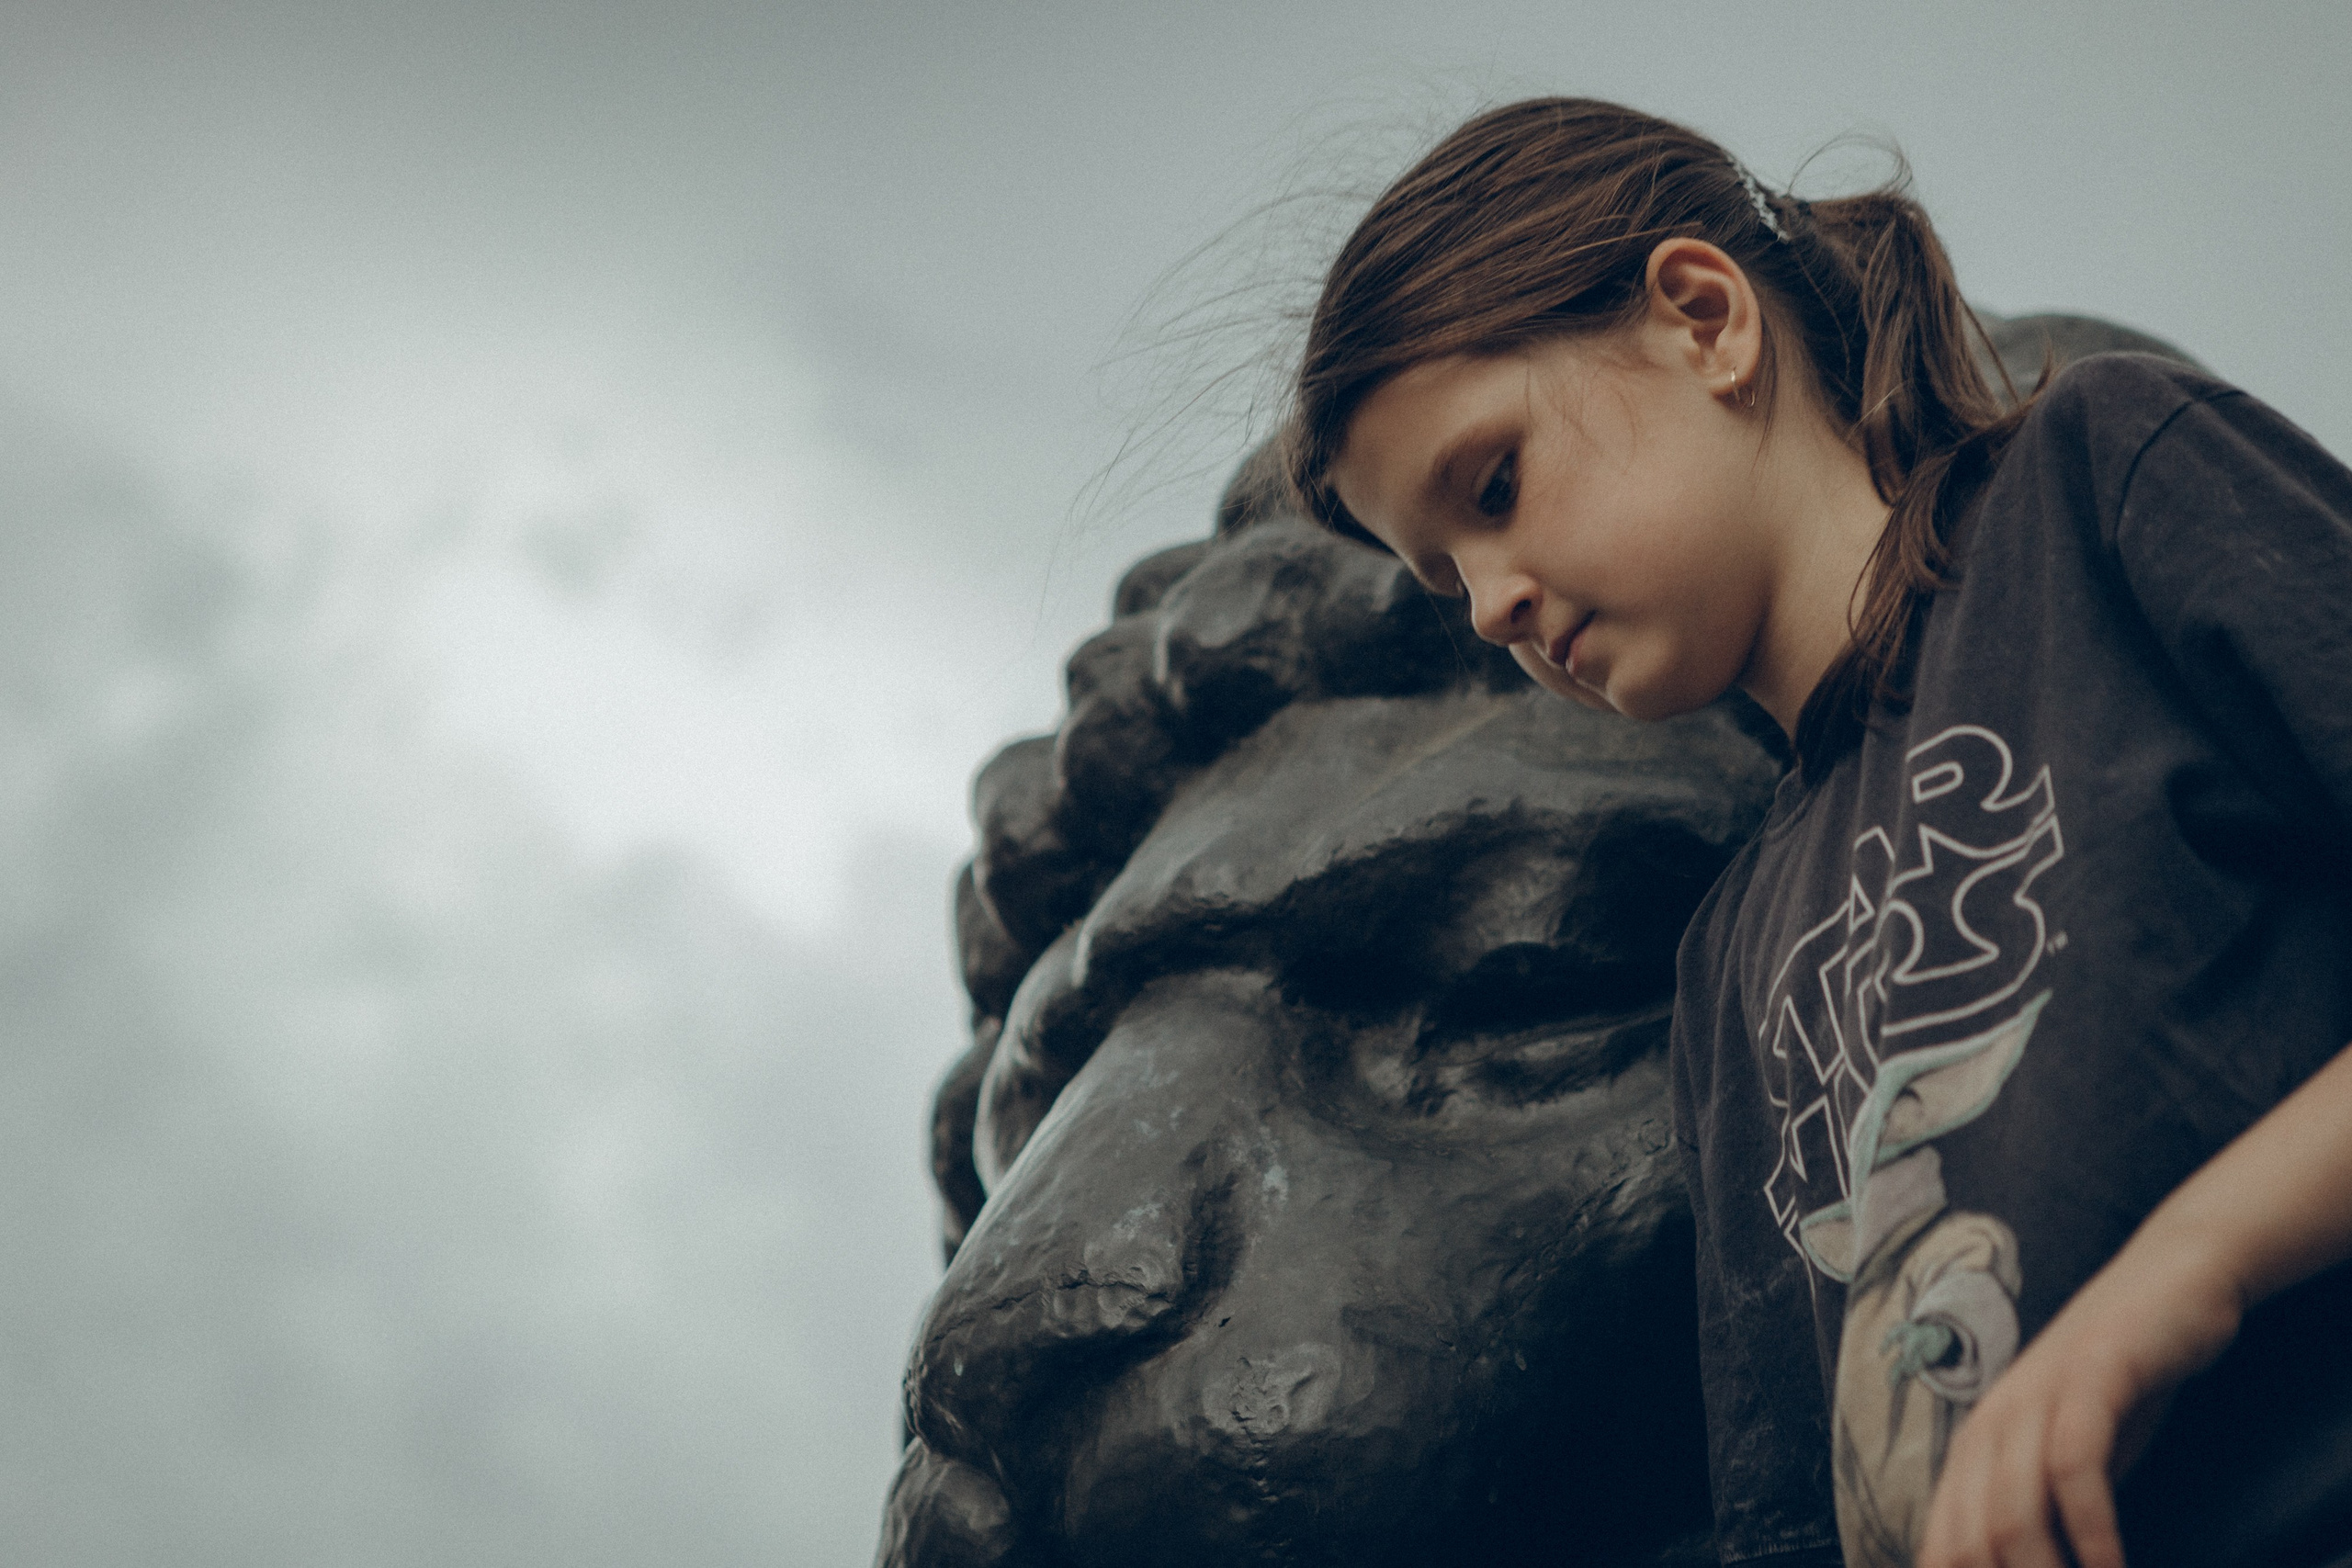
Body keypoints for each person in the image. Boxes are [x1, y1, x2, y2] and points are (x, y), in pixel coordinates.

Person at [1283, 96, 2352, 1568]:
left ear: (1704, 320)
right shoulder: (1727, 966)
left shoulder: (2101, 480)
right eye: (1444, 577)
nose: (1490, 606)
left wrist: (2188, 1265)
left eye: (1497, 486)